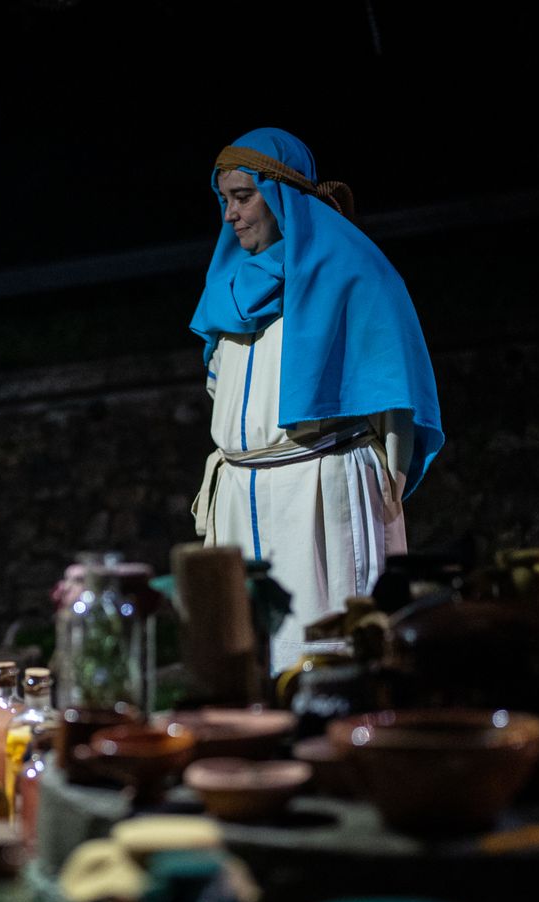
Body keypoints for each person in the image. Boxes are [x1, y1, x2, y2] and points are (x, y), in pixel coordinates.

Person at [189, 127, 444, 669]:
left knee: (330, 650)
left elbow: (392, 383)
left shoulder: (351, 271)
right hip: (240, 493)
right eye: (223, 201)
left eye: (243, 197)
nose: (230, 215)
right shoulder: (229, 288)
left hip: (320, 486)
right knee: (247, 657)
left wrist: (392, 475)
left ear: (282, 194)